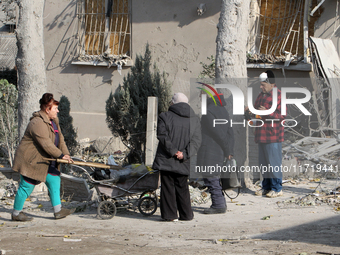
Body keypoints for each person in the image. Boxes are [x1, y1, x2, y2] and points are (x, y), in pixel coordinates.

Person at [11, 93, 76, 221]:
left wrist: (66, 154)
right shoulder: (37, 123)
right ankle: (16, 214)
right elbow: (46, 144)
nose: (58, 110)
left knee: (54, 179)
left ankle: (58, 211)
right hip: (32, 161)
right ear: (47, 109)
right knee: (26, 187)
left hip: (45, 160)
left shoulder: (54, 121)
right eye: (55, 108)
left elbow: (60, 139)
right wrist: (61, 156)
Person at [152, 92, 201, 221]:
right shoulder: (195, 119)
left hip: (167, 158)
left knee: (167, 186)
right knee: (182, 187)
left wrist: (174, 151)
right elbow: (196, 141)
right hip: (183, 160)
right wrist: (184, 153)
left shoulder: (164, 116)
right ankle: (186, 215)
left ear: (173, 103)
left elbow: (162, 136)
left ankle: (170, 216)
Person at [196, 88, 234, 214]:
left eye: (201, 96)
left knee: (211, 177)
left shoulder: (209, 111)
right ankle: (220, 203)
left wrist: (227, 149)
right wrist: (228, 150)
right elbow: (230, 133)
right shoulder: (223, 110)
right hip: (218, 150)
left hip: (210, 149)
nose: (200, 99)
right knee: (214, 177)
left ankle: (218, 205)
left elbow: (218, 133)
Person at [250, 70, 284, 198]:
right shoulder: (261, 96)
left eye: (263, 84)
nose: (261, 86)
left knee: (274, 163)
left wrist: (268, 112)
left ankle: (277, 188)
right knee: (264, 163)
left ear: (271, 84)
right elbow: (256, 112)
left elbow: (282, 116)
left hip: (273, 136)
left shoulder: (279, 96)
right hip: (261, 134)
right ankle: (266, 187)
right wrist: (250, 112)